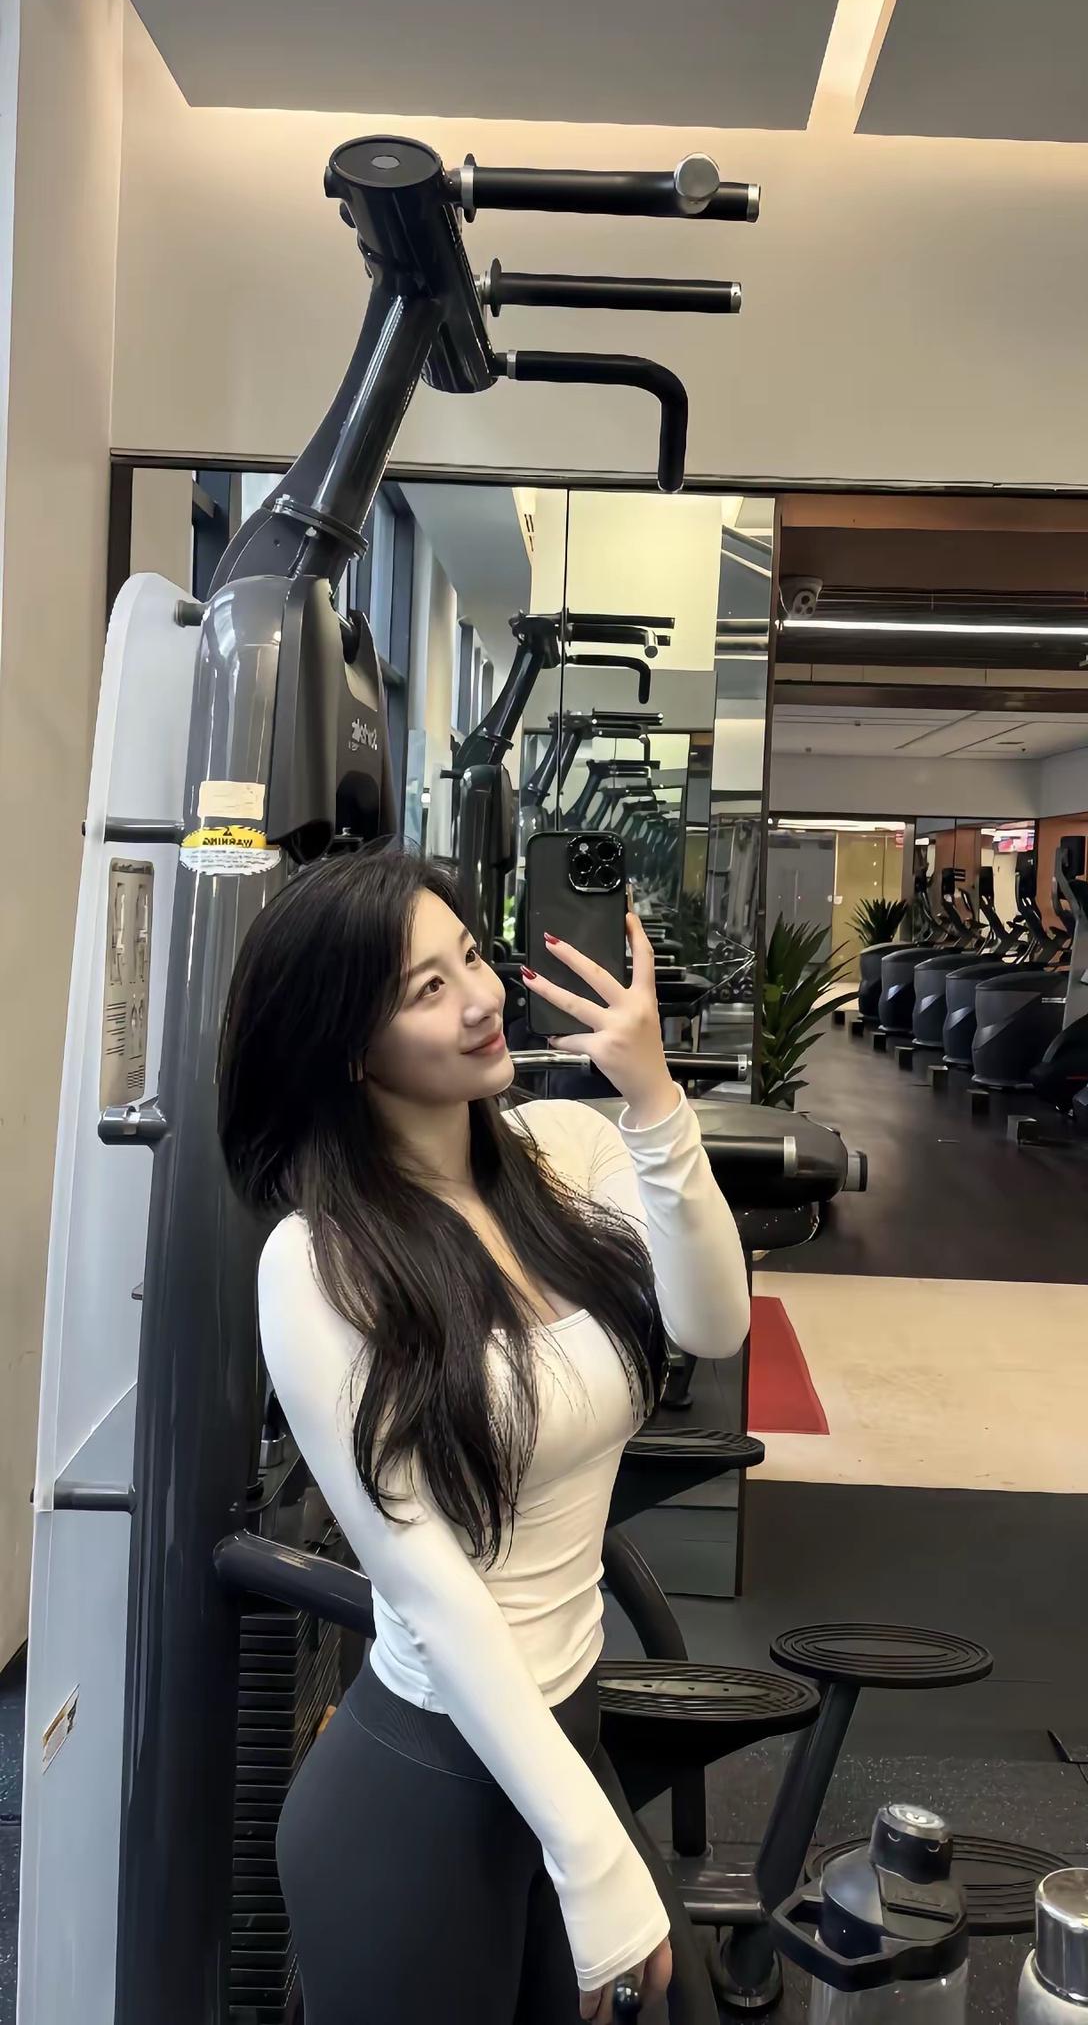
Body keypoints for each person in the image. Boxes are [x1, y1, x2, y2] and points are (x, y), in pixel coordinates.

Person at [217, 844, 750, 2024]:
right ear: (349, 1049)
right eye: (426, 987)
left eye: (469, 955)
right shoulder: (316, 1262)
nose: (480, 997)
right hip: (420, 1783)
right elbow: (424, 1583)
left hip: (566, 1732)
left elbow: (712, 1325)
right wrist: (591, 1854)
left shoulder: (567, 1155)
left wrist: (656, 1102)